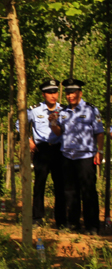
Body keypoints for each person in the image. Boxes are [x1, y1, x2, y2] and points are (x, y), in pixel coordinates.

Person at [50, 79, 104, 235]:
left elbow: (99, 132)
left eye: (73, 92)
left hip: (86, 156)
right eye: (67, 93)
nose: (70, 96)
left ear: (80, 93)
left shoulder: (91, 110)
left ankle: (92, 226)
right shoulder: (63, 112)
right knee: (70, 191)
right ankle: (73, 224)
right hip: (67, 156)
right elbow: (59, 132)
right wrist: (53, 123)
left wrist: (99, 152)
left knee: (88, 191)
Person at [23, 79, 66, 227]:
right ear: (43, 94)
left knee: (60, 185)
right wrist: (28, 140)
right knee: (39, 184)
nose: (53, 95)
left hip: (59, 150)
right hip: (41, 150)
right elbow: (19, 124)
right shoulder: (35, 110)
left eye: (55, 92)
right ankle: (37, 218)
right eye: (49, 92)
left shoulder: (64, 110)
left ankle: (61, 220)